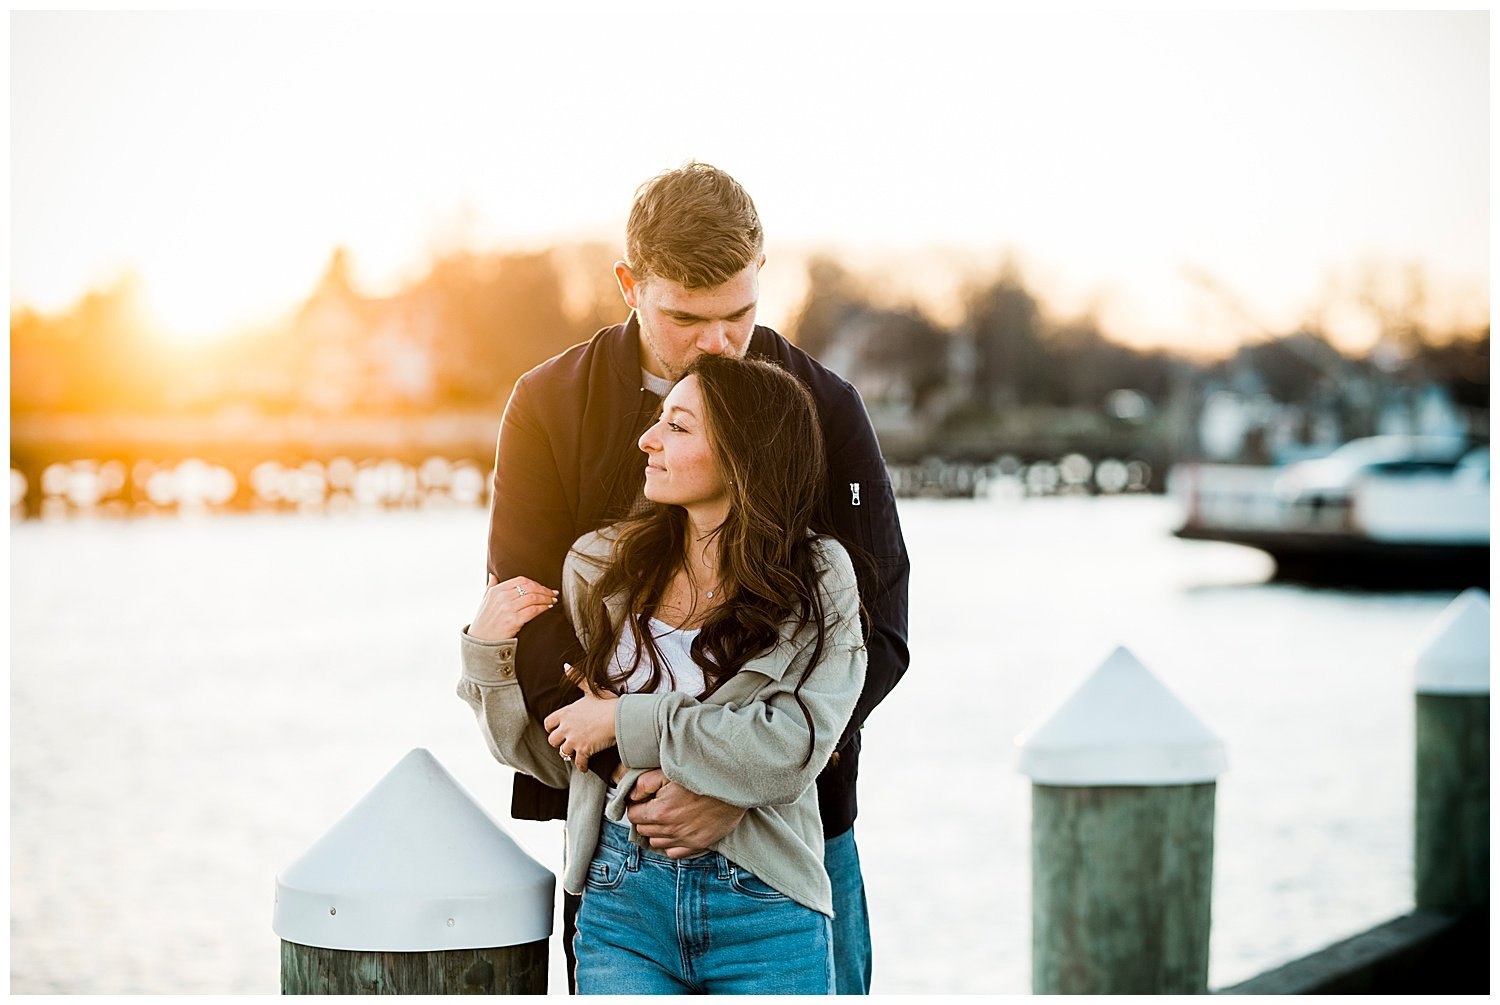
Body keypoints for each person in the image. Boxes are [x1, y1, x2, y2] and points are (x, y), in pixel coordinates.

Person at [479, 162, 910, 994]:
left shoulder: (828, 408)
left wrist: (736, 790)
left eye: (739, 315)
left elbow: (879, 634)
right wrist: (648, 782)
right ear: (628, 285)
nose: (717, 343)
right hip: (624, 839)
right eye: (686, 317)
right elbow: (531, 624)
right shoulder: (549, 406)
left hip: (796, 831)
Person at [458, 354, 867, 993]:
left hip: (764, 906)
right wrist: (489, 661)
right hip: (620, 901)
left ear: (745, 453)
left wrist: (625, 719)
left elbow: (790, 749)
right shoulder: (600, 568)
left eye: (677, 427)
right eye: (657, 421)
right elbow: (552, 754)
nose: (646, 440)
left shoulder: (820, 578)